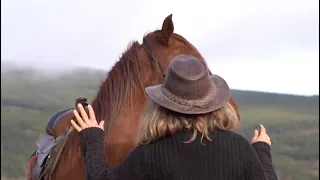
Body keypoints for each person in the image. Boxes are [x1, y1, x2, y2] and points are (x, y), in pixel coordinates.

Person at [71, 55, 278, 180]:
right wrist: (261, 151)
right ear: (214, 105)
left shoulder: (150, 154)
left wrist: (92, 137)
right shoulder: (239, 148)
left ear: (162, 106)